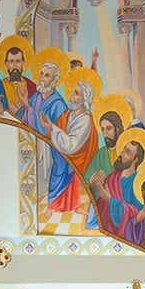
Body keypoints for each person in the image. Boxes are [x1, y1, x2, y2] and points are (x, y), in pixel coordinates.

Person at [41, 79, 99, 213]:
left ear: (84, 99)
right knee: (59, 168)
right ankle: (52, 205)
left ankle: (71, 206)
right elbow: (60, 129)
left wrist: (53, 129)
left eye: (77, 93)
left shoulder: (85, 120)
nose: (73, 95)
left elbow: (72, 145)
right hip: (64, 154)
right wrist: (51, 128)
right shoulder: (69, 114)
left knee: (66, 173)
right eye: (74, 92)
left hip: (76, 155)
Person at [0, 45, 36, 122]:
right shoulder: (0, 86)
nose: (15, 66)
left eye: (18, 61)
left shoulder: (31, 87)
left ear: (23, 63)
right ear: (6, 64)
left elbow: (36, 113)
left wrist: (21, 106)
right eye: (11, 62)